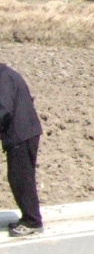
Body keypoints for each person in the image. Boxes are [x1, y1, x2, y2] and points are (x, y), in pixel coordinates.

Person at [0, 64, 44, 237]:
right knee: (19, 177)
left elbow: (3, 110)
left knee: (21, 178)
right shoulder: (6, 75)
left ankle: (32, 222)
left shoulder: (3, 77)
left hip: (21, 133)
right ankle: (29, 217)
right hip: (23, 132)